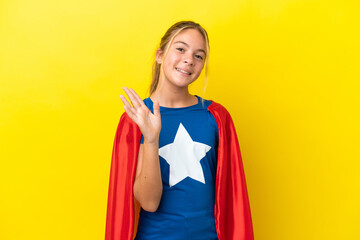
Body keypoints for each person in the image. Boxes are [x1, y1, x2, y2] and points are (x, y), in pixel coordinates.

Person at [105, 21, 254, 240]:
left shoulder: (216, 117)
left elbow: (233, 199)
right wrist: (151, 139)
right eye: (181, 49)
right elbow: (149, 202)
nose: (188, 59)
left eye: (199, 55)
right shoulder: (135, 119)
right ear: (159, 55)